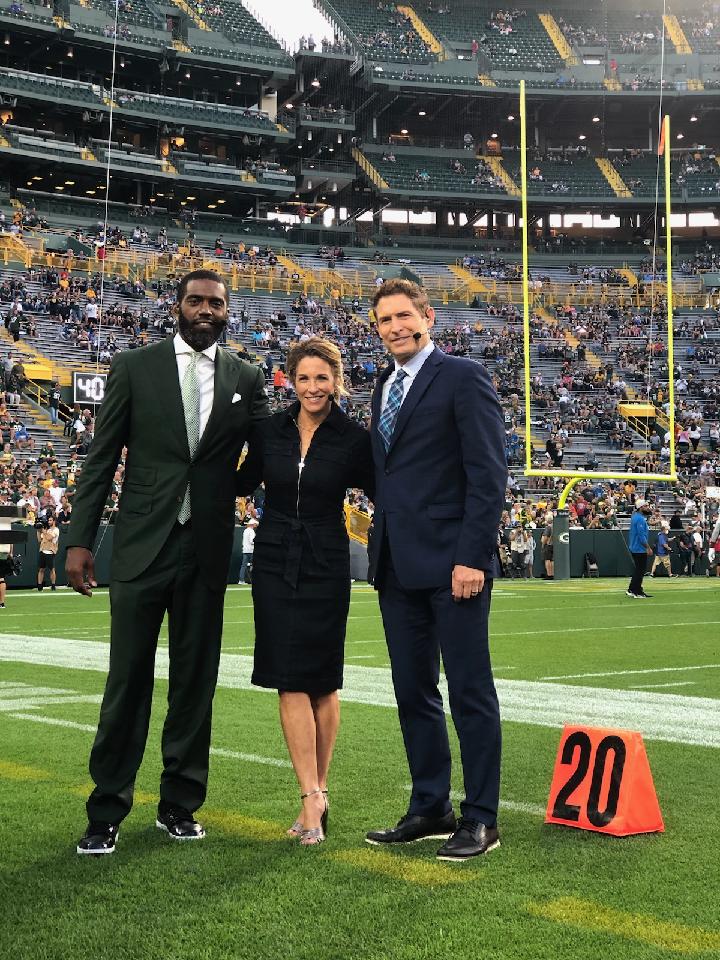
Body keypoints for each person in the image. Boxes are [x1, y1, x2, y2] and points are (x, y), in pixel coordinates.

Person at [65, 269, 270, 855]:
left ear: (229, 311)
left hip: (205, 547)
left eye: (217, 303)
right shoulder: (135, 365)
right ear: (178, 305)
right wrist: (80, 540)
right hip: (140, 544)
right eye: (197, 300)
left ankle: (180, 803)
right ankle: (106, 809)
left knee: (194, 686)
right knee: (126, 680)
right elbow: (102, 456)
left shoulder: (246, 376)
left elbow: (262, 453)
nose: (207, 309)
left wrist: (229, 489)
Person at [364, 279, 507, 862]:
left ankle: (481, 818)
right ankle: (430, 805)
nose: (395, 327)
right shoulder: (382, 385)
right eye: (384, 320)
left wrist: (472, 556)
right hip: (396, 565)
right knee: (413, 691)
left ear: (427, 315)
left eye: (404, 316)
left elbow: (488, 472)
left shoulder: (463, 375)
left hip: (454, 565)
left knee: (469, 690)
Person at [237, 337, 373, 846]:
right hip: (273, 560)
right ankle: (310, 795)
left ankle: (321, 787)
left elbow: (386, 489)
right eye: (303, 379)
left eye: (322, 378)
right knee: (287, 678)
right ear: (290, 382)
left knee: (321, 679)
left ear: (335, 380)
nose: (313, 388)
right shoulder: (268, 430)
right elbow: (241, 481)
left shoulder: (354, 438)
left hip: (326, 561)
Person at [627, 499, 653, 598]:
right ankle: (637, 591)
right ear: (641, 508)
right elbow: (641, 535)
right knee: (640, 571)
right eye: (646, 506)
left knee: (638, 570)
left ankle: (632, 589)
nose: (647, 508)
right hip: (639, 548)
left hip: (635, 547)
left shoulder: (636, 517)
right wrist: (648, 547)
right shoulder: (640, 519)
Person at [36, 515, 59, 590]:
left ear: (54, 521)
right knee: (41, 569)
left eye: (50, 520)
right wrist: (38, 530)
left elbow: (49, 538)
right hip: (42, 550)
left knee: (52, 569)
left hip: (50, 551)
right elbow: (39, 540)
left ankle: (53, 585)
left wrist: (43, 531)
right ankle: (39, 586)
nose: (49, 522)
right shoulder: (47, 530)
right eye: (48, 520)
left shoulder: (56, 530)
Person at [237, 517, 257, 584]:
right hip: (251, 551)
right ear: (252, 524)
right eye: (255, 524)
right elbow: (251, 541)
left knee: (243, 566)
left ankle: (241, 580)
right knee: (254, 565)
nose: (255, 525)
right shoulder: (251, 531)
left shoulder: (245, 530)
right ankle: (254, 580)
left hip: (245, 550)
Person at [541, 512, 554, 579]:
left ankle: (549, 574)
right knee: (552, 560)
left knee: (547, 560)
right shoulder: (555, 526)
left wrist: (543, 544)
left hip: (548, 545)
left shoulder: (548, 527)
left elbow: (546, 537)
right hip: (553, 545)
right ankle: (552, 574)